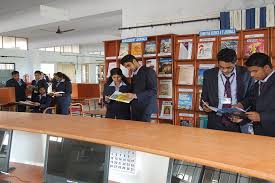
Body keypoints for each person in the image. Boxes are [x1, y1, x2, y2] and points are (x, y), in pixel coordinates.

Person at [200, 48, 254, 132]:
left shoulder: (246, 73)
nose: (225, 70)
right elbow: (204, 97)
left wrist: (241, 105)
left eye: (229, 67)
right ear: (217, 63)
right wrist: (204, 105)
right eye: (221, 67)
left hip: (238, 120)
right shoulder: (209, 74)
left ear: (235, 62)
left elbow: (252, 96)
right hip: (216, 120)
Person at [237, 53, 275, 137]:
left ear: (266, 68)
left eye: (255, 71)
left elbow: (260, 115)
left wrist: (262, 117)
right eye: (250, 72)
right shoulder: (258, 83)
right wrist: (241, 109)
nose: (252, 75)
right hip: (259, 134)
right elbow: (252, 101)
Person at [120, 54, 157, 122]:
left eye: (128, 65)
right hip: (135, 108)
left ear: (134, 61)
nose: (128, 69)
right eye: (126, 67)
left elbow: (153, 91)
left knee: (143, 131)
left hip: (145, 108)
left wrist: (135, 95)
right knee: (135, 130)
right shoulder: (134, 74)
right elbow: (136, 89)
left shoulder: (148, 71)